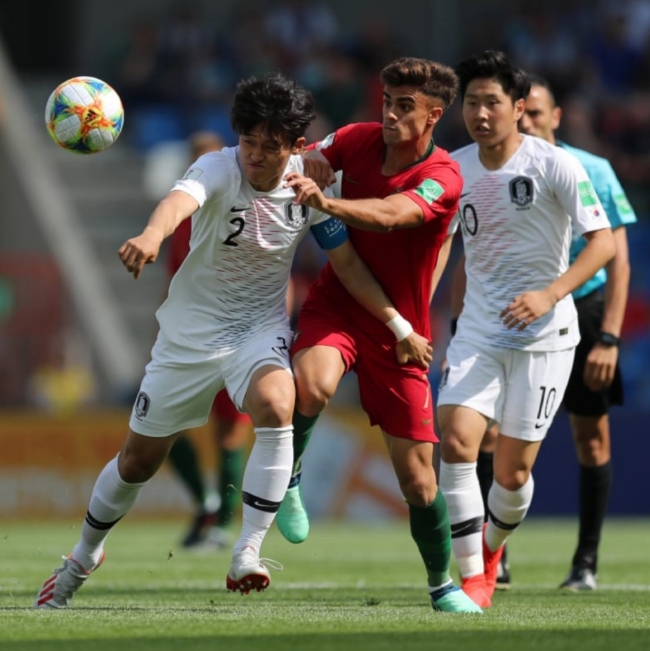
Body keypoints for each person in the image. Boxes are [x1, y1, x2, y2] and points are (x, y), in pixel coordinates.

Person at [33, 72, 432, 608]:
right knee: (138, 462)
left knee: (277, 402)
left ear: (296, 146)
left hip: (257, 329)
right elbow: (179, 201)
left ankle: (247, 550)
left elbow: (349, 267)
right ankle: (84, 554)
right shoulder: (216, 167)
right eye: (249, 141)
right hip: (189, 338)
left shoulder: (310, 185)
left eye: (272, 146)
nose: (257, 156)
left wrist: (399, 326)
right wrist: (152, 236)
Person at [280, 56, 484, 614]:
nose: (390, 114)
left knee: (419, 482)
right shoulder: (358, 138)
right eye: (387, 100)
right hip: (339, 306)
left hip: (402, 333)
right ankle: (289, 471)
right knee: (312, 384)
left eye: (405, 106)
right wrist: (310, 164)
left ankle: (442, 584)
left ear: (434, 114)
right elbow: (310, 158)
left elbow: (393, 215)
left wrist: (327, 202)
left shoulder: (443, 176)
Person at [435, 50, 615, 609]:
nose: (481, 113)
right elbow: (440, 244)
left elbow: (603, 242)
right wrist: (421, 312)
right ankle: (471, 580)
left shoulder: (555, 165)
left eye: (493, 102)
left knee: (511, 476)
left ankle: (492, 548)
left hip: (546, 338)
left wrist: (549, 294)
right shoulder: (452, 168)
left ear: (518, 108)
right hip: (479, 330)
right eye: (472, 102)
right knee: (458, 442)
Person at [518, 75, 636, 591]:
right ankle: (490, 560)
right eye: (520, 116)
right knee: (495, 437)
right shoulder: (498, 170)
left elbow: (620, 261)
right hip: (518, 311)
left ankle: (585, 563)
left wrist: (609, 337)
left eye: (536, 115)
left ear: (557, 116)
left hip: (584, 310)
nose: (527, 124)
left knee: (590, 437)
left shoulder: (594, 170)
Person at [164, 130, 252, 550]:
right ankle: (207, 501)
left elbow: (275, 274)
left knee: (230, 436)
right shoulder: (181, 220)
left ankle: (221, 526)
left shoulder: (243, 209)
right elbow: (174, 285)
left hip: (237, 336)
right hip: (189, 337)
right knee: (163, 428)